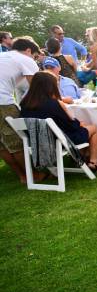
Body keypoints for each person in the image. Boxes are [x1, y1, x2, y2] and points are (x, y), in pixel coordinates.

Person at [20, 71, 97, 169]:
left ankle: (80, 158)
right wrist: (78, 123)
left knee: (81, 127)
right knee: (93, 128)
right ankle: (94, 161)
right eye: (56, 85)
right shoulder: (53, 104)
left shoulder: (24, 103)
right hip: (58, 141)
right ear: (50, 87)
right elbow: (71, 126)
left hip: (37, 141)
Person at [0, 37, 48, 183]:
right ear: (28, 50)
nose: (34, 59)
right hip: (3, 103)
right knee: (17, 140)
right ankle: (32, 175)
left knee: (2, 144)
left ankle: (22, 176)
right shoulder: (25, 59)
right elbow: (37, 89)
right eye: (34, 56)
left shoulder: (5, 56)